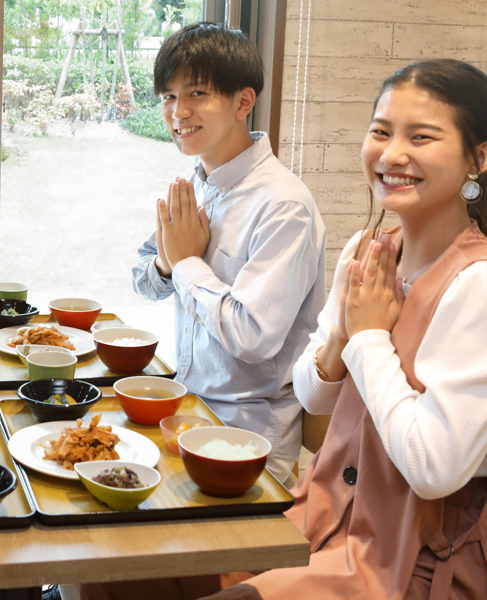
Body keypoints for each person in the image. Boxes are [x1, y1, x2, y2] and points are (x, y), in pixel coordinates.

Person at [206, 58, 487, 600]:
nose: (392, 154)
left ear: (480, 157)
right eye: (381, 132)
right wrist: (342, 336)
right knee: (127, 572)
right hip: (321, 522)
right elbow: (313, 395)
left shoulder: (486, 286)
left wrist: (367, 338)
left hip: (411, 568)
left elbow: (432, 467)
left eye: (421, 137)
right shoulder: (370, 251)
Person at [131, 22, 326, 483]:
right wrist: (167, 264)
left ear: (243, 102)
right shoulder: (200, 184)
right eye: (168, 96)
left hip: (248, 445)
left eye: (197, 93)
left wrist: (186, 264)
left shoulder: (283, 205)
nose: (178, 111)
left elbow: (253, 337)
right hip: (187, 412)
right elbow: (143, 279)